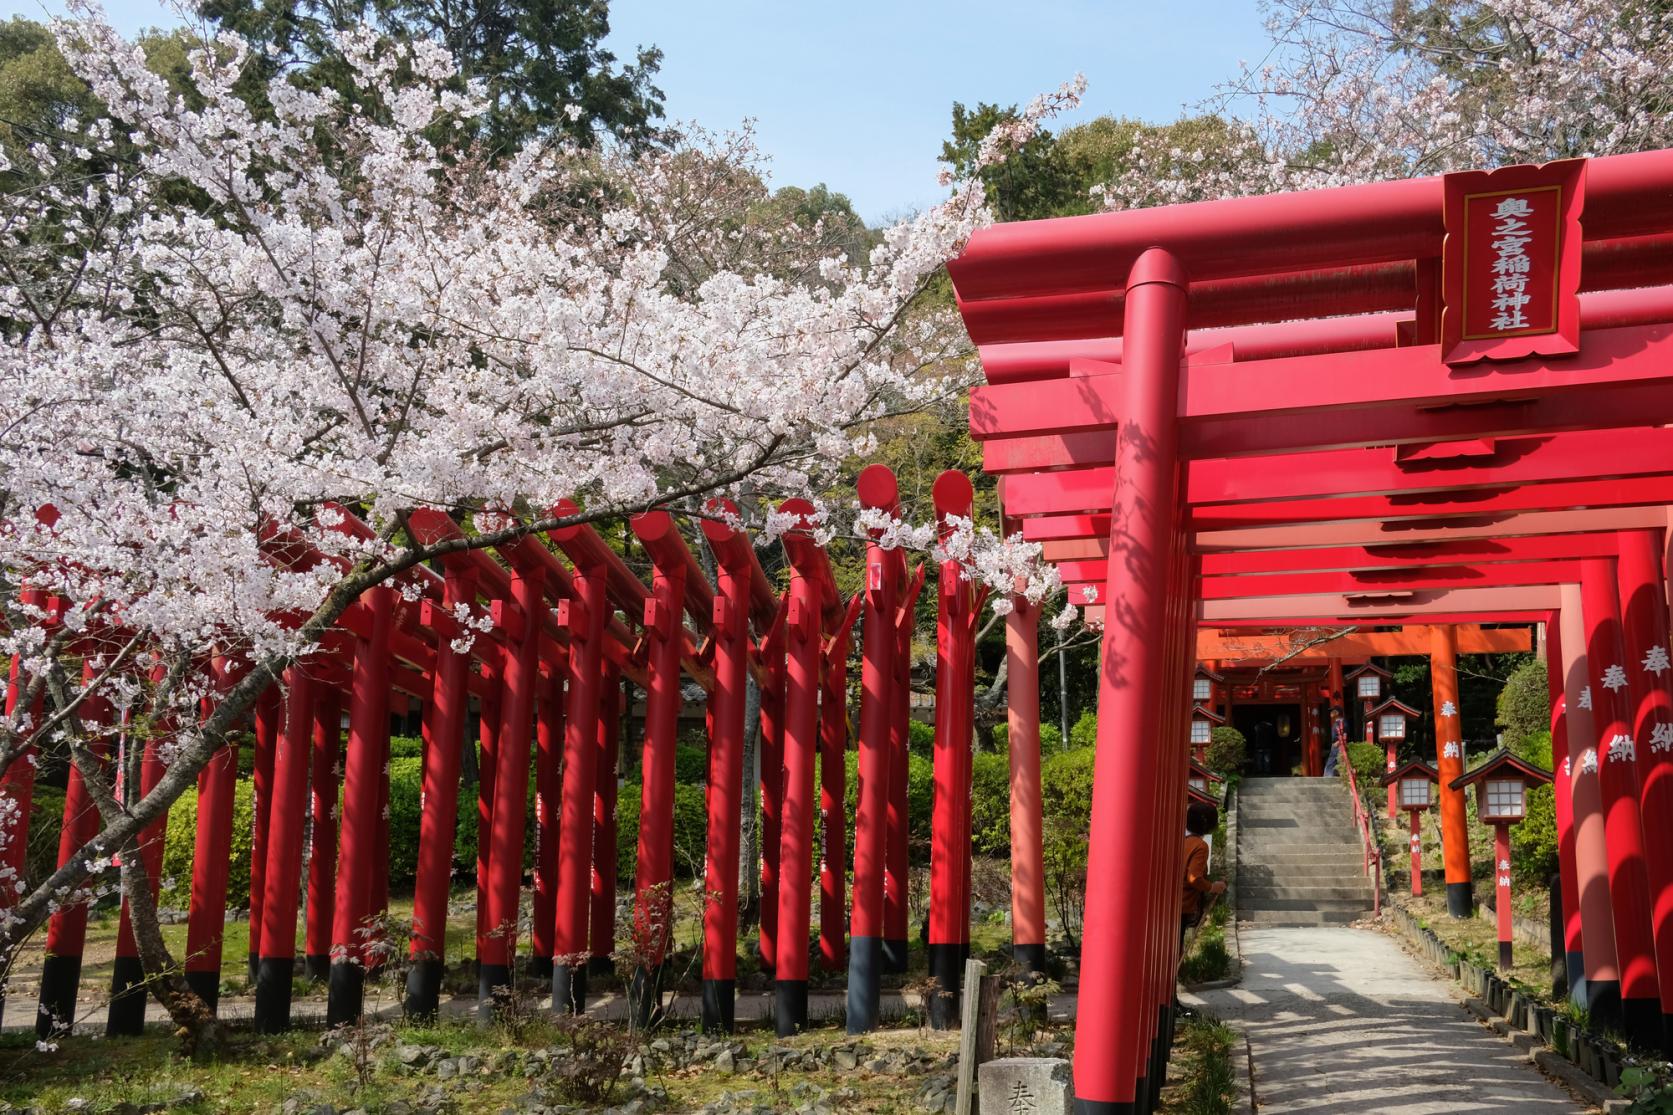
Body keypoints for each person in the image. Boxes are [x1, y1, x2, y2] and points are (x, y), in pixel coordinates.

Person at [1182, 802, 1226, 943]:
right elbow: (1194, 878)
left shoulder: (1181, 841)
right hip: (1183, 904)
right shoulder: (1200, 846)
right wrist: (1213, 887)